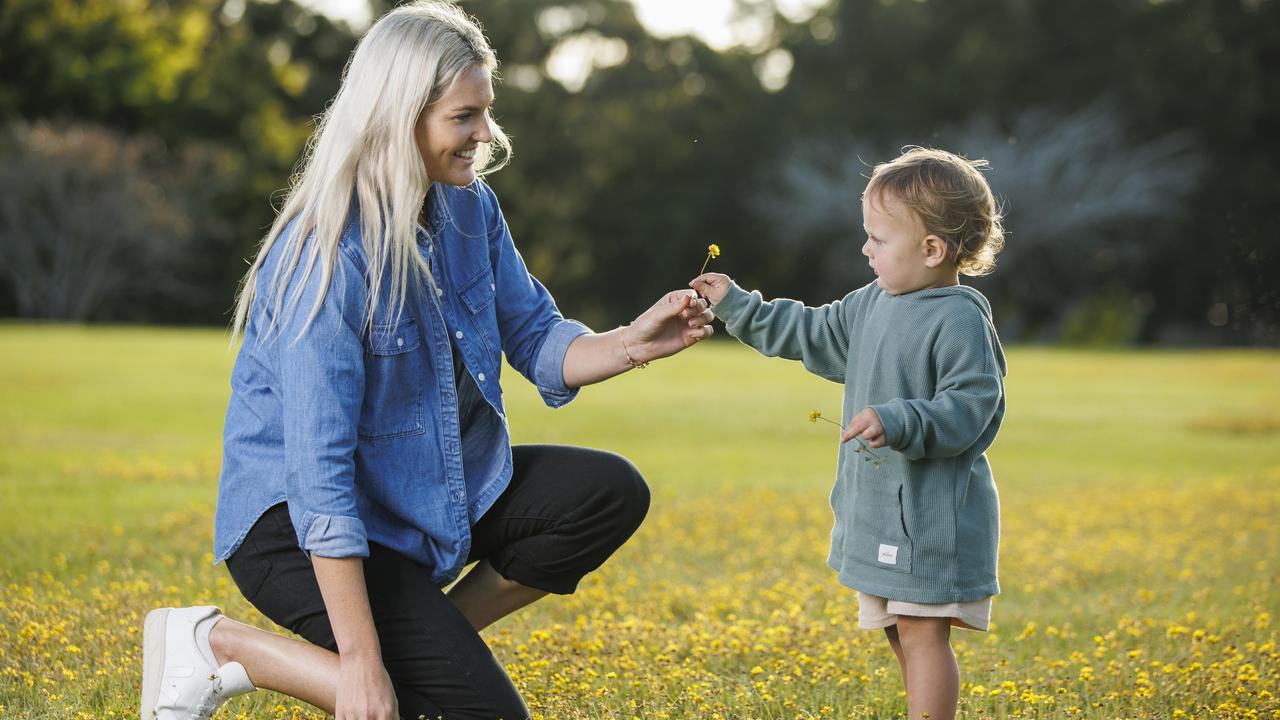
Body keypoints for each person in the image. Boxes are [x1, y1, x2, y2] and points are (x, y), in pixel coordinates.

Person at [139, 3, 714, 719]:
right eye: (464, 117)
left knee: (607, 492)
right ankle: (218, 644)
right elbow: (319, 476)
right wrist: (360, 664)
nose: (486, 135)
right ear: (400, 114)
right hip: (296, 527)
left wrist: (631, 342)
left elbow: (535, 336)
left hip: (418, 495)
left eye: (486, 112)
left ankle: (425, 651)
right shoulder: (328, 257)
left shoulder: (469, 209)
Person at [691, 147, 1007, 720]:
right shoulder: (872, 303)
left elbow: (973, 406)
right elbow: (809, 330)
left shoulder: (958, 315)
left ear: (932, 249)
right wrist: (736, 305)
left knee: (921, 629)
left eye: (879, 239)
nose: (866, 249)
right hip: (880, 509)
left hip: (930, 515)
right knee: (898, 627)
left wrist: (900, 418)